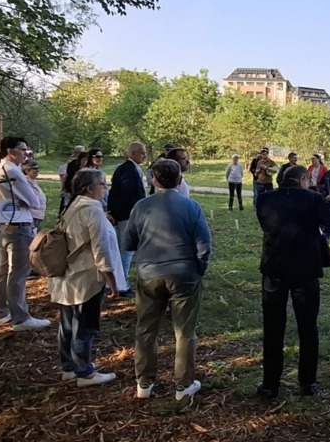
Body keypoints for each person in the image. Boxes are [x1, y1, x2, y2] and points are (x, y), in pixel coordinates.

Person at [122, 159, 213, 402]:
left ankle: (144, 383)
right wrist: (199, 269)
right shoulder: (191, 206)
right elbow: (204, 244)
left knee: (146, 329)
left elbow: (128, 242)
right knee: (184, 332)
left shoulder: (141, 206)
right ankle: (183, 384)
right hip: (184, 274)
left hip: (149, 274)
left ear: (154, 179)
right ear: (179, 179)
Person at [254, 165, 330, 398]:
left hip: (275, 267)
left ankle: (270, 384)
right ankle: (307, 382)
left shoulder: (265, 199)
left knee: (273, 328)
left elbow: (266, 225)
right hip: (305, 269)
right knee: (307, 327)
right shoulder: (312, 199)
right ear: (304, 179)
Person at [51, 167, 119, 386]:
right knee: (85, 326)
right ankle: (84, 372)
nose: (105, 189)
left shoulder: (72, 207)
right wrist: (112, 280)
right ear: (90, 188)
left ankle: (68, 367)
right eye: (102, 185)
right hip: (86, 277)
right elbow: (101, 250)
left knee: (67, 324)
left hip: (68, 275)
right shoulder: (93, 211)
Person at [0, 136, 52, 331]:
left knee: (3, 269)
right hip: (19, 225)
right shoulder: (12, 171)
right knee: (18, 272)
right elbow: (34, 201)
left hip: (3, 224)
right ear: (10, 151)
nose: (26, 153)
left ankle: (2, 312)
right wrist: (28, 199)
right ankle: (20, 318)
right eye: (22, 149)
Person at [107, 142, 150, 300]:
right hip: (127, 216)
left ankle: (114, 282)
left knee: (122, 251)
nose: (144, 156)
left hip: (125, 215)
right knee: (126, 252)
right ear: (132, 153)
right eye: (141, 153)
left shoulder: (130, 169)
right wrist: (117, 213)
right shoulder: (128, 170)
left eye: (145, 153)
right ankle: (121, 285)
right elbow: (123, 195)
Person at [60, 151, 91, 216]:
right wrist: (63, 189)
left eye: (87, 160)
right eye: (84, 159)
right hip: (69, 189)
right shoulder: (73, 165)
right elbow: (67, 176)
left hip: (81, 192)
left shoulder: (89, 169)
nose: (85, 162)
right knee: (67, 206)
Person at [58, 145, 86, 212]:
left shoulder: (85, 165)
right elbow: (65, 178)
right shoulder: (70, 164)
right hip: (70, 191)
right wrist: (63, 189)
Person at [22, 160, 46, 228]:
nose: (37, 171)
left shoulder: (32, 182)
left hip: (36, 215)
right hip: (31, 216)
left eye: (38, 168)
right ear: (27, 170)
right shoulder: (25, 182)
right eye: (35, 168)